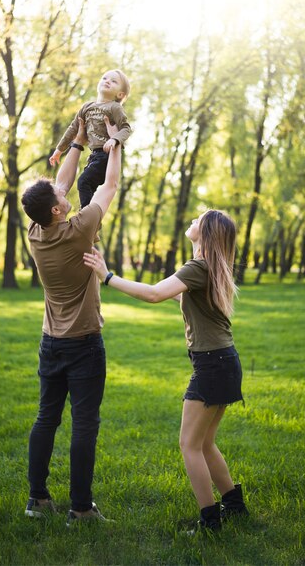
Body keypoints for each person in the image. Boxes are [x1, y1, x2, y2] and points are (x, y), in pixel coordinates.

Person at [83, 210, 248, 533]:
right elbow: (175, 296)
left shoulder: (199, 267)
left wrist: (107, 276)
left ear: (207, 232)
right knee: (204, 442)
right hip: (223, 362)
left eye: (198, 219)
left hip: (213, 365)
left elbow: (155, 294)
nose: (191, 221)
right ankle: (235, 506)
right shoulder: (208, 268)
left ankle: (210, 521)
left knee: (190, 445)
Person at [21, 118, 121, 526]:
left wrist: (77, 143)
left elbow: (58, 188)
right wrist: (114, 146)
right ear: (59, 210)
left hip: (51, 342)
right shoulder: (81, 231)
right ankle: (80, 509)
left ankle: (37, 499)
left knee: (47, 418)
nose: (64, 190)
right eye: (60, 196)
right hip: (83, 344)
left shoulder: (36, 232)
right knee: (84, 424)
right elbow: (108, 187)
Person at [49, 69, 132, 208]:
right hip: (94, 156)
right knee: (88, 185)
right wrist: (59, 149)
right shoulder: (87, 107)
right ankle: (92, 216)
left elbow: (126, 129)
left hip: (107, 156)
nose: (107, 81)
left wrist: (114, 139)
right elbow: (73, 129)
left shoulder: (115, 107)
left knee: (83, 182)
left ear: (120, 94)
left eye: (113, 81)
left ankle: (87, 215)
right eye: (105, 78)